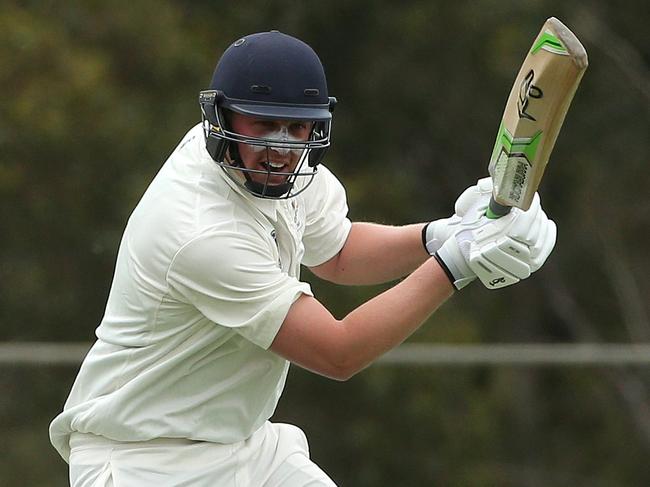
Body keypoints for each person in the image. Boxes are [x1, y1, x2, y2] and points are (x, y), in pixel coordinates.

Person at [50, 31, 556, 486]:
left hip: (244, 448)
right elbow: (338, 353)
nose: (281, 147)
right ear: (219, 119)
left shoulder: (277, 174)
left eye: (297, 128)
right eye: (264, 124)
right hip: (144, 462)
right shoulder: (200, 231)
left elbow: (337, 253)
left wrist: (437, 235)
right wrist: (454, 265)